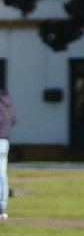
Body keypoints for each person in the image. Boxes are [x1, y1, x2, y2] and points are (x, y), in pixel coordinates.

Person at [0, 88, 13, 221]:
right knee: (2, 174)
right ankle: (3, 208)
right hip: (5, 141)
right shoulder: (8, 106)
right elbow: (13, 120)